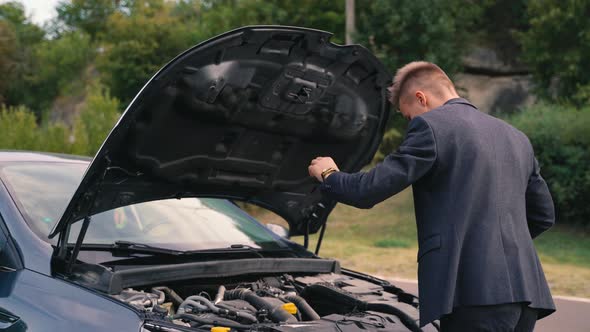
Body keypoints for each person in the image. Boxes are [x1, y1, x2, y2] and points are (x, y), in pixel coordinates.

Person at [307, 61, 556, 331]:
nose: (411, 122)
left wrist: (329, 174)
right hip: (527, 293)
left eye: (408, 115)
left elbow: (369, 190)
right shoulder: (516, 137)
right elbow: (543, 215)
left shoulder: (432, 126)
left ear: (421, 98)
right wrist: (495, 245)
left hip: (473, 293)